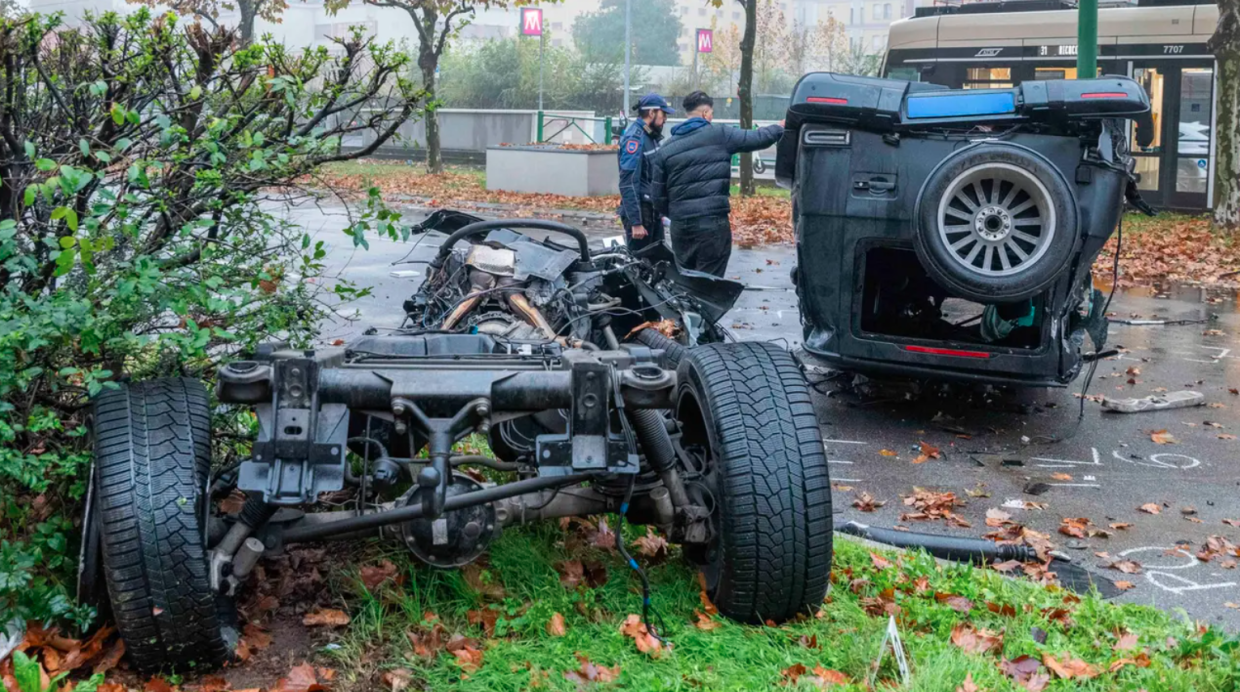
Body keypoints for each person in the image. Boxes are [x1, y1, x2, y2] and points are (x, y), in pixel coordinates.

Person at [651, 91, 784, 276]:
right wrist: (779, 127)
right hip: (711, 223)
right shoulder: (720, 135)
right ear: (706, 113)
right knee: (710, 281)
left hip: (680, 227)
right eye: (711, 113)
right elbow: (757, 138)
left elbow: (657, 197)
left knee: (686, 280)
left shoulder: (666, 149)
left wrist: (678, 213)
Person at [616, 94, 674, 254]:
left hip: (652, 211)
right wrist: (636, 222)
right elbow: (628, 182)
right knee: (639, 264)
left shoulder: (651, 136)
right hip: (641, 213)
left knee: (658, 261)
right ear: (651, 113)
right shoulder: (635, 139)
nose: (665, 119)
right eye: (663, 114)